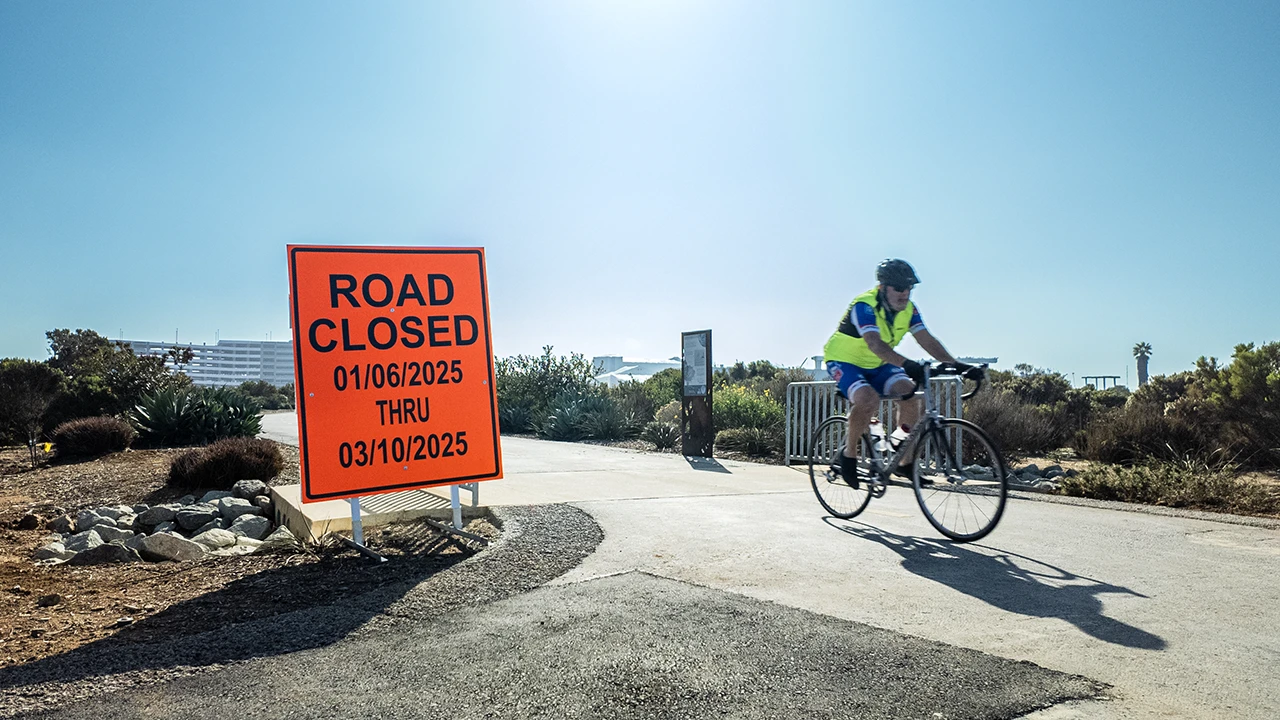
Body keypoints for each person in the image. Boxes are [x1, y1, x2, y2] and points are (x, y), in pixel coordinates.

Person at [821, 259, 979, 483]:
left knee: (909, 395)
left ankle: (903, 461)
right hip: (844, 361)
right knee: (867, 400)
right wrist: (907, 364)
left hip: (878, 363)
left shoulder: (909, 310)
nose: (905, 293)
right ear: (883, 288)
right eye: (899, 288)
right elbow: (875, 343)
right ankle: (849, 456)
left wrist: (958, 365)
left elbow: (927, 340)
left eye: (909, 288)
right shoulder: (864, 306)